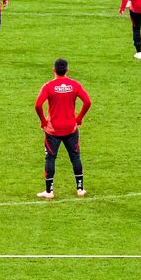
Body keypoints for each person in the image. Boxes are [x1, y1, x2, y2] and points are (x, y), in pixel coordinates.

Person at [33, 58, 91, 199]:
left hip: (53, 130)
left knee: (50, 158)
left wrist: (43, 121)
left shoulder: (48, 86)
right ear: (67, 70)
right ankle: (80, 189)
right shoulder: (74, 85)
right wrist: (79, 118)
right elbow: (87, 102)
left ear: (54, 70)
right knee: (75, 156)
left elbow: (38, 105)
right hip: (71, 128)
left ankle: (49, 191)